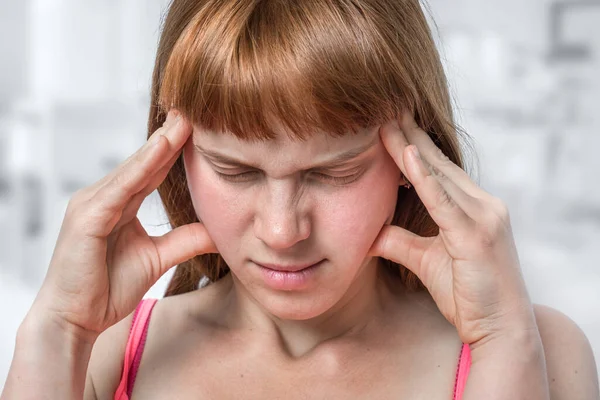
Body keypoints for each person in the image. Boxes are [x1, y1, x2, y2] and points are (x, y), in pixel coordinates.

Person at [2, 0, 599, 399]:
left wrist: (503, 345)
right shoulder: (100, 358)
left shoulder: (541, 351)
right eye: (234, 170)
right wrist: (58, 329)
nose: (283, 232)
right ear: (174, 155)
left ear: (413, 156)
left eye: (335, 171)